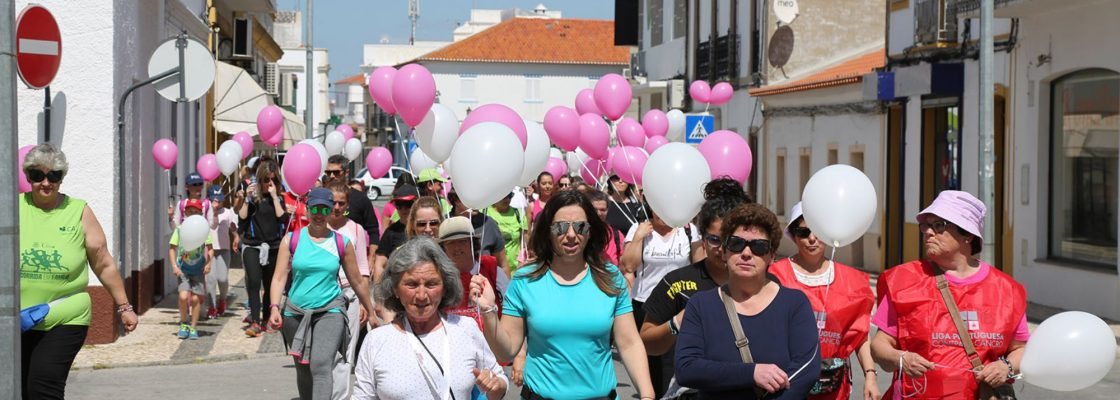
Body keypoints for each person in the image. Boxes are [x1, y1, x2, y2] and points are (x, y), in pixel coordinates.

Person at [471, 190, 656, 400]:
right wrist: (488, 310)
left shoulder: (610, 277)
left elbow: (629, 342)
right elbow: (506, 351)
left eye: (579, 226)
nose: (570, 234)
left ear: (590, 231)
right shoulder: (525, 279)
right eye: (560, 227)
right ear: (548, 231)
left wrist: (648, 396)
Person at [870, 191, 1028, 399]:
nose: (928, 232)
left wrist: (1005, 367)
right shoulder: (904, 281)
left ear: (967, 235)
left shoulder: (1007, 290)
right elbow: (879, 345)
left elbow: (1021, 349)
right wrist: (900, 358)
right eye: (926, 225)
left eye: (939, 225)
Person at [19, 143, 137, 399]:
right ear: (28, 176)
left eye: (54, 175)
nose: (46, 182)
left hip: (65, 315)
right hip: (17, 319)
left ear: (62, 178)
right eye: (38, 176)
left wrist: (124, 307)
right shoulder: (13, 208)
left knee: (42, 386)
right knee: (17, 388)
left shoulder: (78, 211)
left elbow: (103, 261)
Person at [675, 203, 820, 399]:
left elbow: (806, 370)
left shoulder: (794, 304)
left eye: (759, 247)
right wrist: (752, 373)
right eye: (736, 243)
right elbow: (687, 368)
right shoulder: (701, 305)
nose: (746, 253)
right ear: (725, 251)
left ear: (772, 256)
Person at [354, 238, 508, 400]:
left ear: (445, 287)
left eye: (431, 284)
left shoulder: (466, 329)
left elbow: (499, 379)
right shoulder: (376, 341)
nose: (421, 295)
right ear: (395, 289)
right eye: (412, 285)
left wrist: (495, 385)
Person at [638, 180, 750, 398]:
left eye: (731, 241)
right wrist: (677, 323)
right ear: (703, 238)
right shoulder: (678, 283)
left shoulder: (766, 282)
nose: (723, 249)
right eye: (715, 240)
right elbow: (647, 342)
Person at [270, 188, 376, 400]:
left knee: (321, 364)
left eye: (324, 209)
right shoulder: (291, 240)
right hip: (295, 313)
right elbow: (279, 277)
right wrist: (274, 307)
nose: (319, 214)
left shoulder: (341, 243)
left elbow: (356, 280)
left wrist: (371, 311)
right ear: (307, 210)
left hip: (330, 311)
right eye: (315, 208)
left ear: (330, 211)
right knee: (303, 367)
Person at [769, 202, 878, 400]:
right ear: (793, 236)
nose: (811, 238)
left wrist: (870, 375)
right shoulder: (774, 276)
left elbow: (860, 334)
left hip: (834, 388)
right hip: (785, 384)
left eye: (817, 231)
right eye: (803, 232)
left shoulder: (852, 281)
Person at [325, 183, 375, 399]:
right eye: (333, 202)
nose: (336, 207)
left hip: (350, 294)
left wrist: (365, 303)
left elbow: (363, 269)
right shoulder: (318, 227)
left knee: (346, 353)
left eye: (341, 203)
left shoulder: (355, 229)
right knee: (324, 352)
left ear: (347, 204)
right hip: (323, 294)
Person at [236, 157, 288, 337]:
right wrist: (246, 200)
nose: (269, 183)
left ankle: (267, 318)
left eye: (273, 180)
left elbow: (283, 218)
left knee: (269, 284)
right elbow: (242, 218)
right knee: (253, 281)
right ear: (259, 180)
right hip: (252, 245)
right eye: (266, 180)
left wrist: (274, 197)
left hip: (273, 247)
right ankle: (255, 321)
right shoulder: (253, 198)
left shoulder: (278, 199)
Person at [438, 216, 510, 328]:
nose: (457, 247)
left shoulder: (493, 270)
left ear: (473, 243)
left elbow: (510, 310)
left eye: (462, 241)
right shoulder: (439, 277)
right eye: (450, 243)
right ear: (443, 248)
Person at [168, 199, 213, 340]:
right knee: (182, 297)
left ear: (201, 213)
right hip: (183, 269)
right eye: (190, 211)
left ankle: (193, 327)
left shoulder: (204, 229)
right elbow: (172, 248)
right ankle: (184, 323)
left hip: (198, 269)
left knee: (195, 299)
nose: (192, 213)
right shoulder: (180, 229)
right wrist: (174, 266)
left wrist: (209, 263)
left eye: (196, 211)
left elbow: (210, 248)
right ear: (185, 212)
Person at [325, 155, 380, 258]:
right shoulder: (321, 196)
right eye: (328, 172)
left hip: (355, 257)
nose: (332, 176)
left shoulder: (360, 198)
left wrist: (371, 258)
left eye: (336, 172)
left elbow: (373, 231)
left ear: (346, 172)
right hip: (326, 256)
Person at [448, 190, 511, 275]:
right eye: (471, 199)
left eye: (479, 198)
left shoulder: (489, 224)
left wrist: (506, 287)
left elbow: (503, 265)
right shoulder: (445, 225)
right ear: (456, 200)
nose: (476, 203)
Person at [373, 185, 417, 282]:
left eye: (408, 204)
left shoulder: (426, 228)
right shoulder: (391, 232)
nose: (403, 209)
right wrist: (378, 293)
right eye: (399, 205)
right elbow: (380, 264)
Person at [206, 185, 238, 319]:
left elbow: (233, 227)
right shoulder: (206, 212)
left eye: (220, 200)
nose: (217, 203)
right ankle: (212, 306)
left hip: (223, 249)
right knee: (211, 279)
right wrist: (212, 211)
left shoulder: (227, 212)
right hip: (209, 249)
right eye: (215, 200)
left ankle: (222, 300)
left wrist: (236, 236)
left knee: (223, 278)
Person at [487, 192, 527, 276]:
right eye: (503, 196)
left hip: (516, 270)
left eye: (510, 195)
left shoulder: (518, 213)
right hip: (494, 270)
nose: (507, 199)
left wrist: (522, 260)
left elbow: (526, 241)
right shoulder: (485, 212)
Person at [583, 189, 624, 266]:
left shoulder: (616, 235)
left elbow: (624, 268)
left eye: (603, 210)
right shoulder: (578, 232)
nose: (598, 213)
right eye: (594, 209)